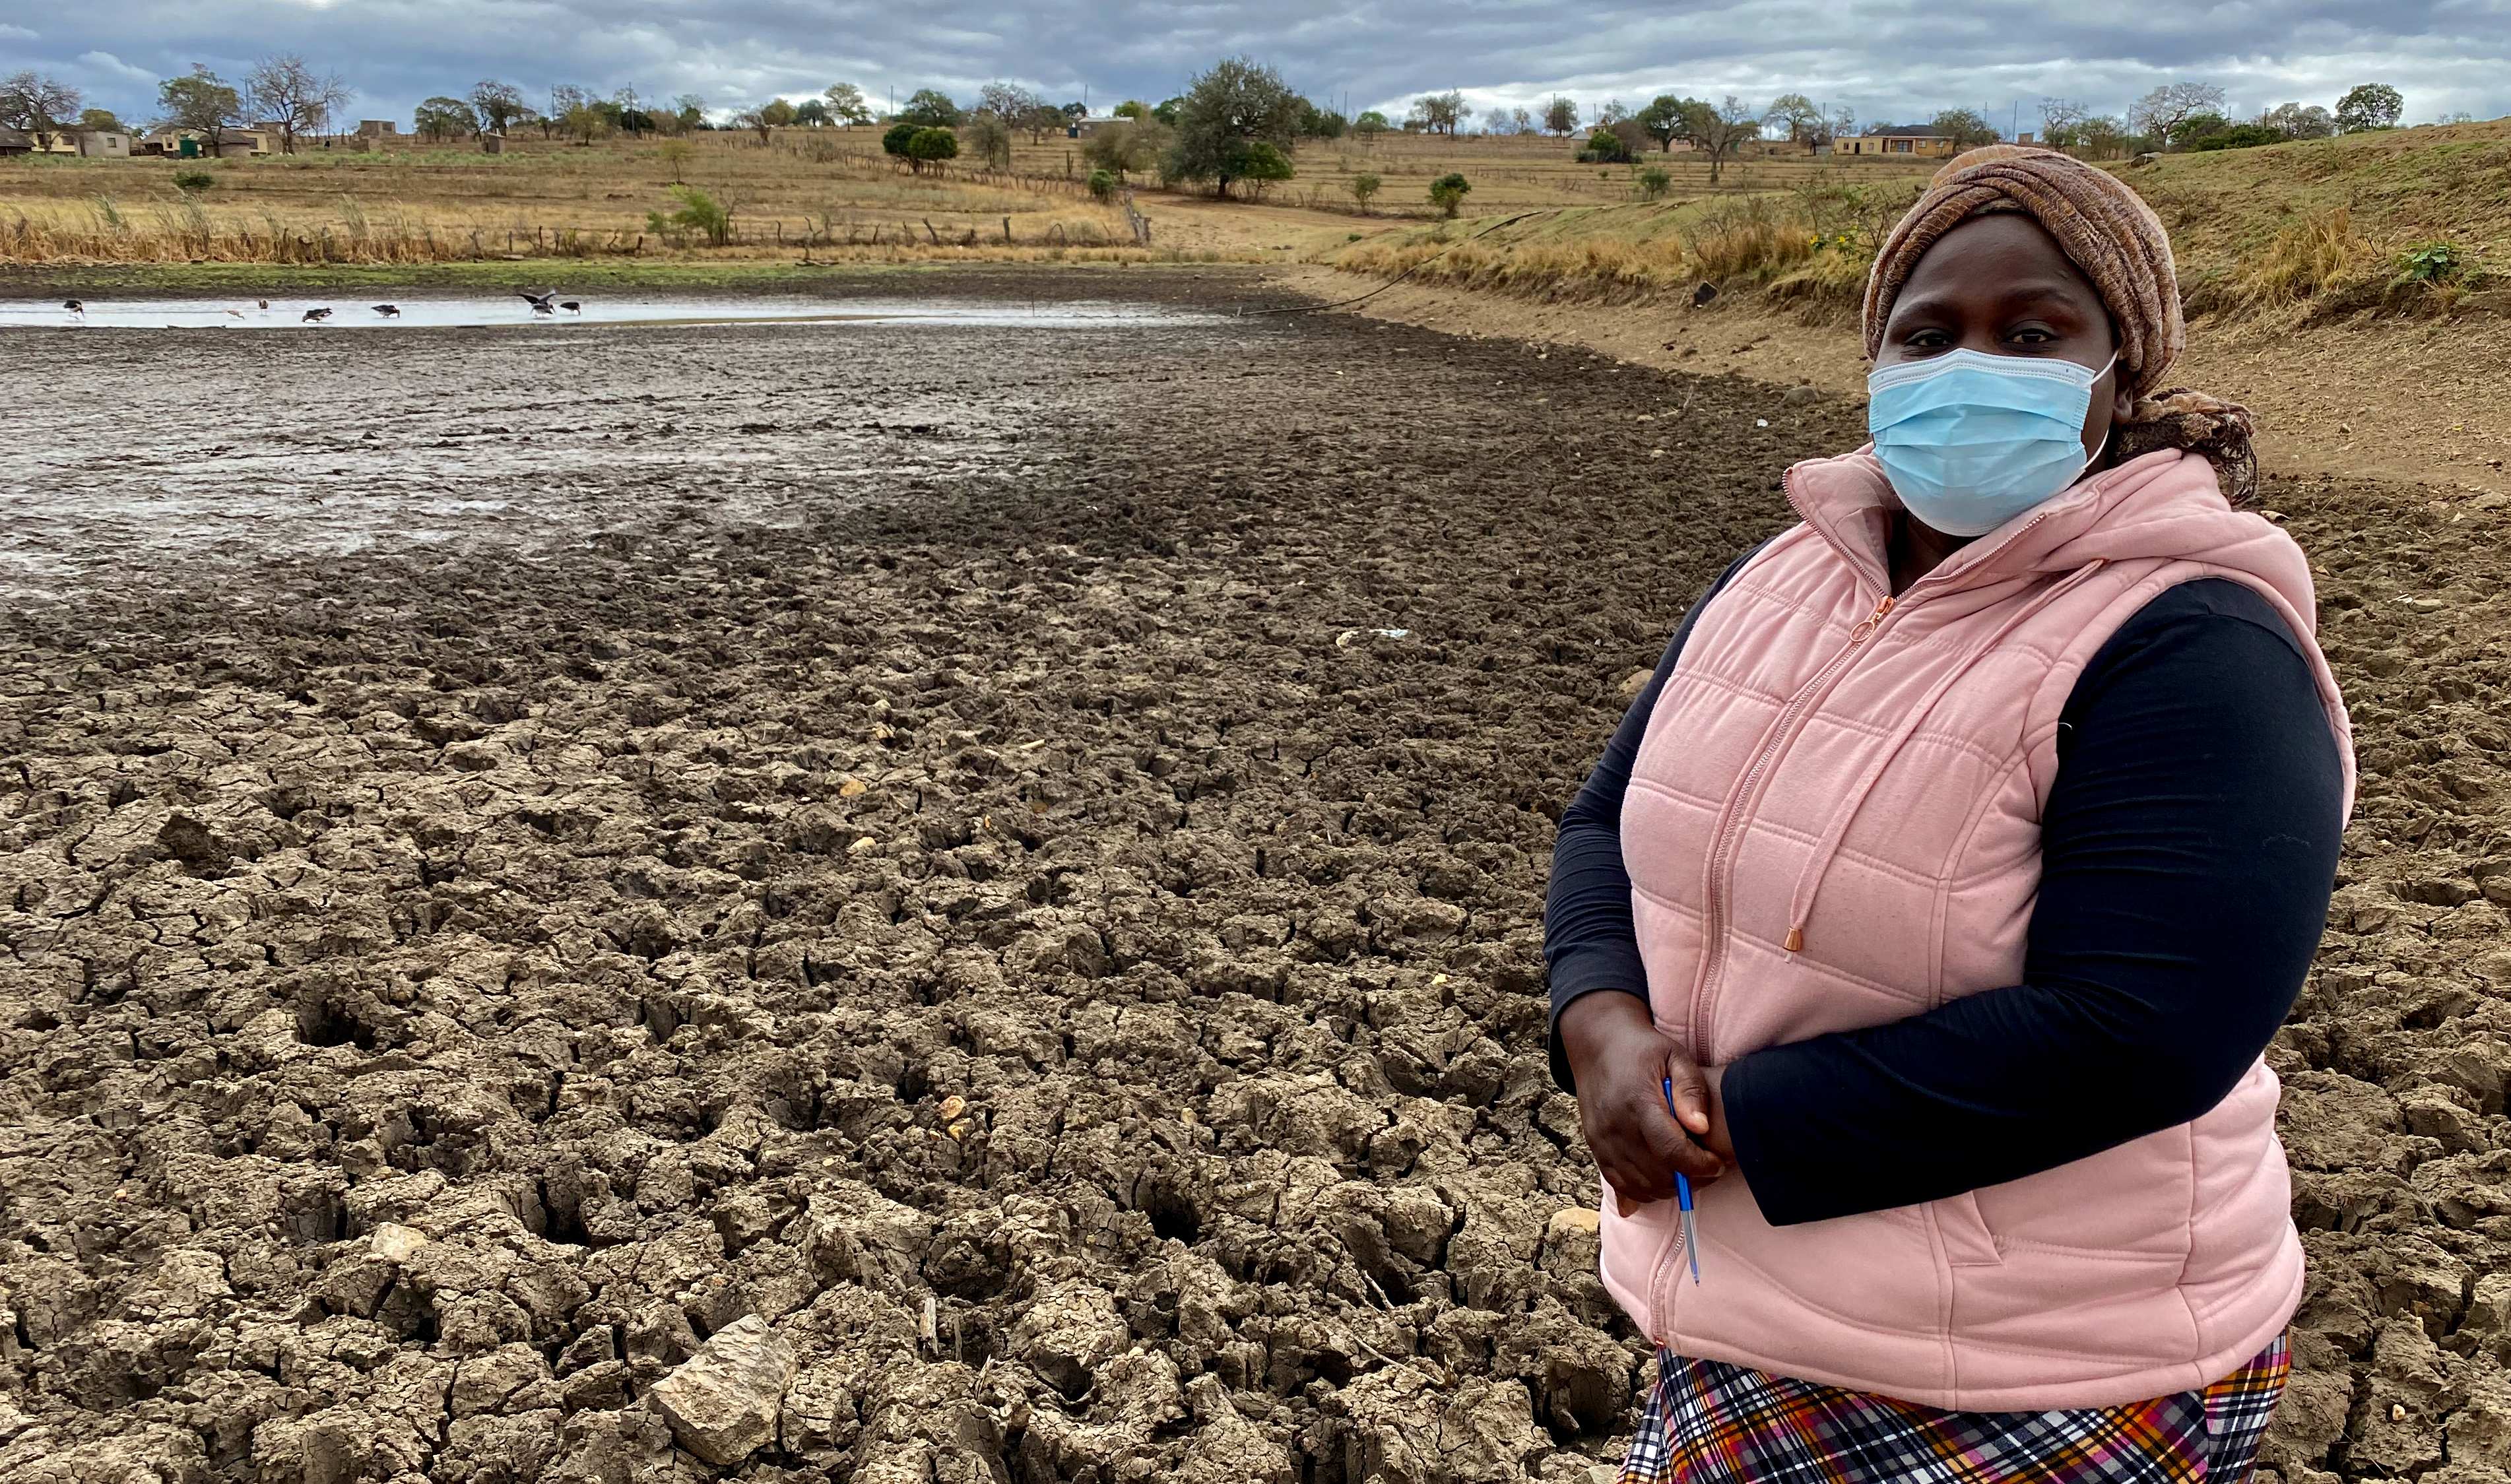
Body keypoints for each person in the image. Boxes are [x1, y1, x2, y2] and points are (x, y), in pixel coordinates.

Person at [1544, 145, 2353, 1484]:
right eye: (1928, 334)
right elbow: (1604, 823)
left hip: (2046, 1365)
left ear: (2118, 368)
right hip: (1756, 1304)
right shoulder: (1782, 581)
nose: (1969, 367)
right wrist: (1601, 1031)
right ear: (1876, 361)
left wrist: (1737, 1120)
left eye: (2031, 332)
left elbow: (2145, 1030)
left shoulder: (2191, 639)